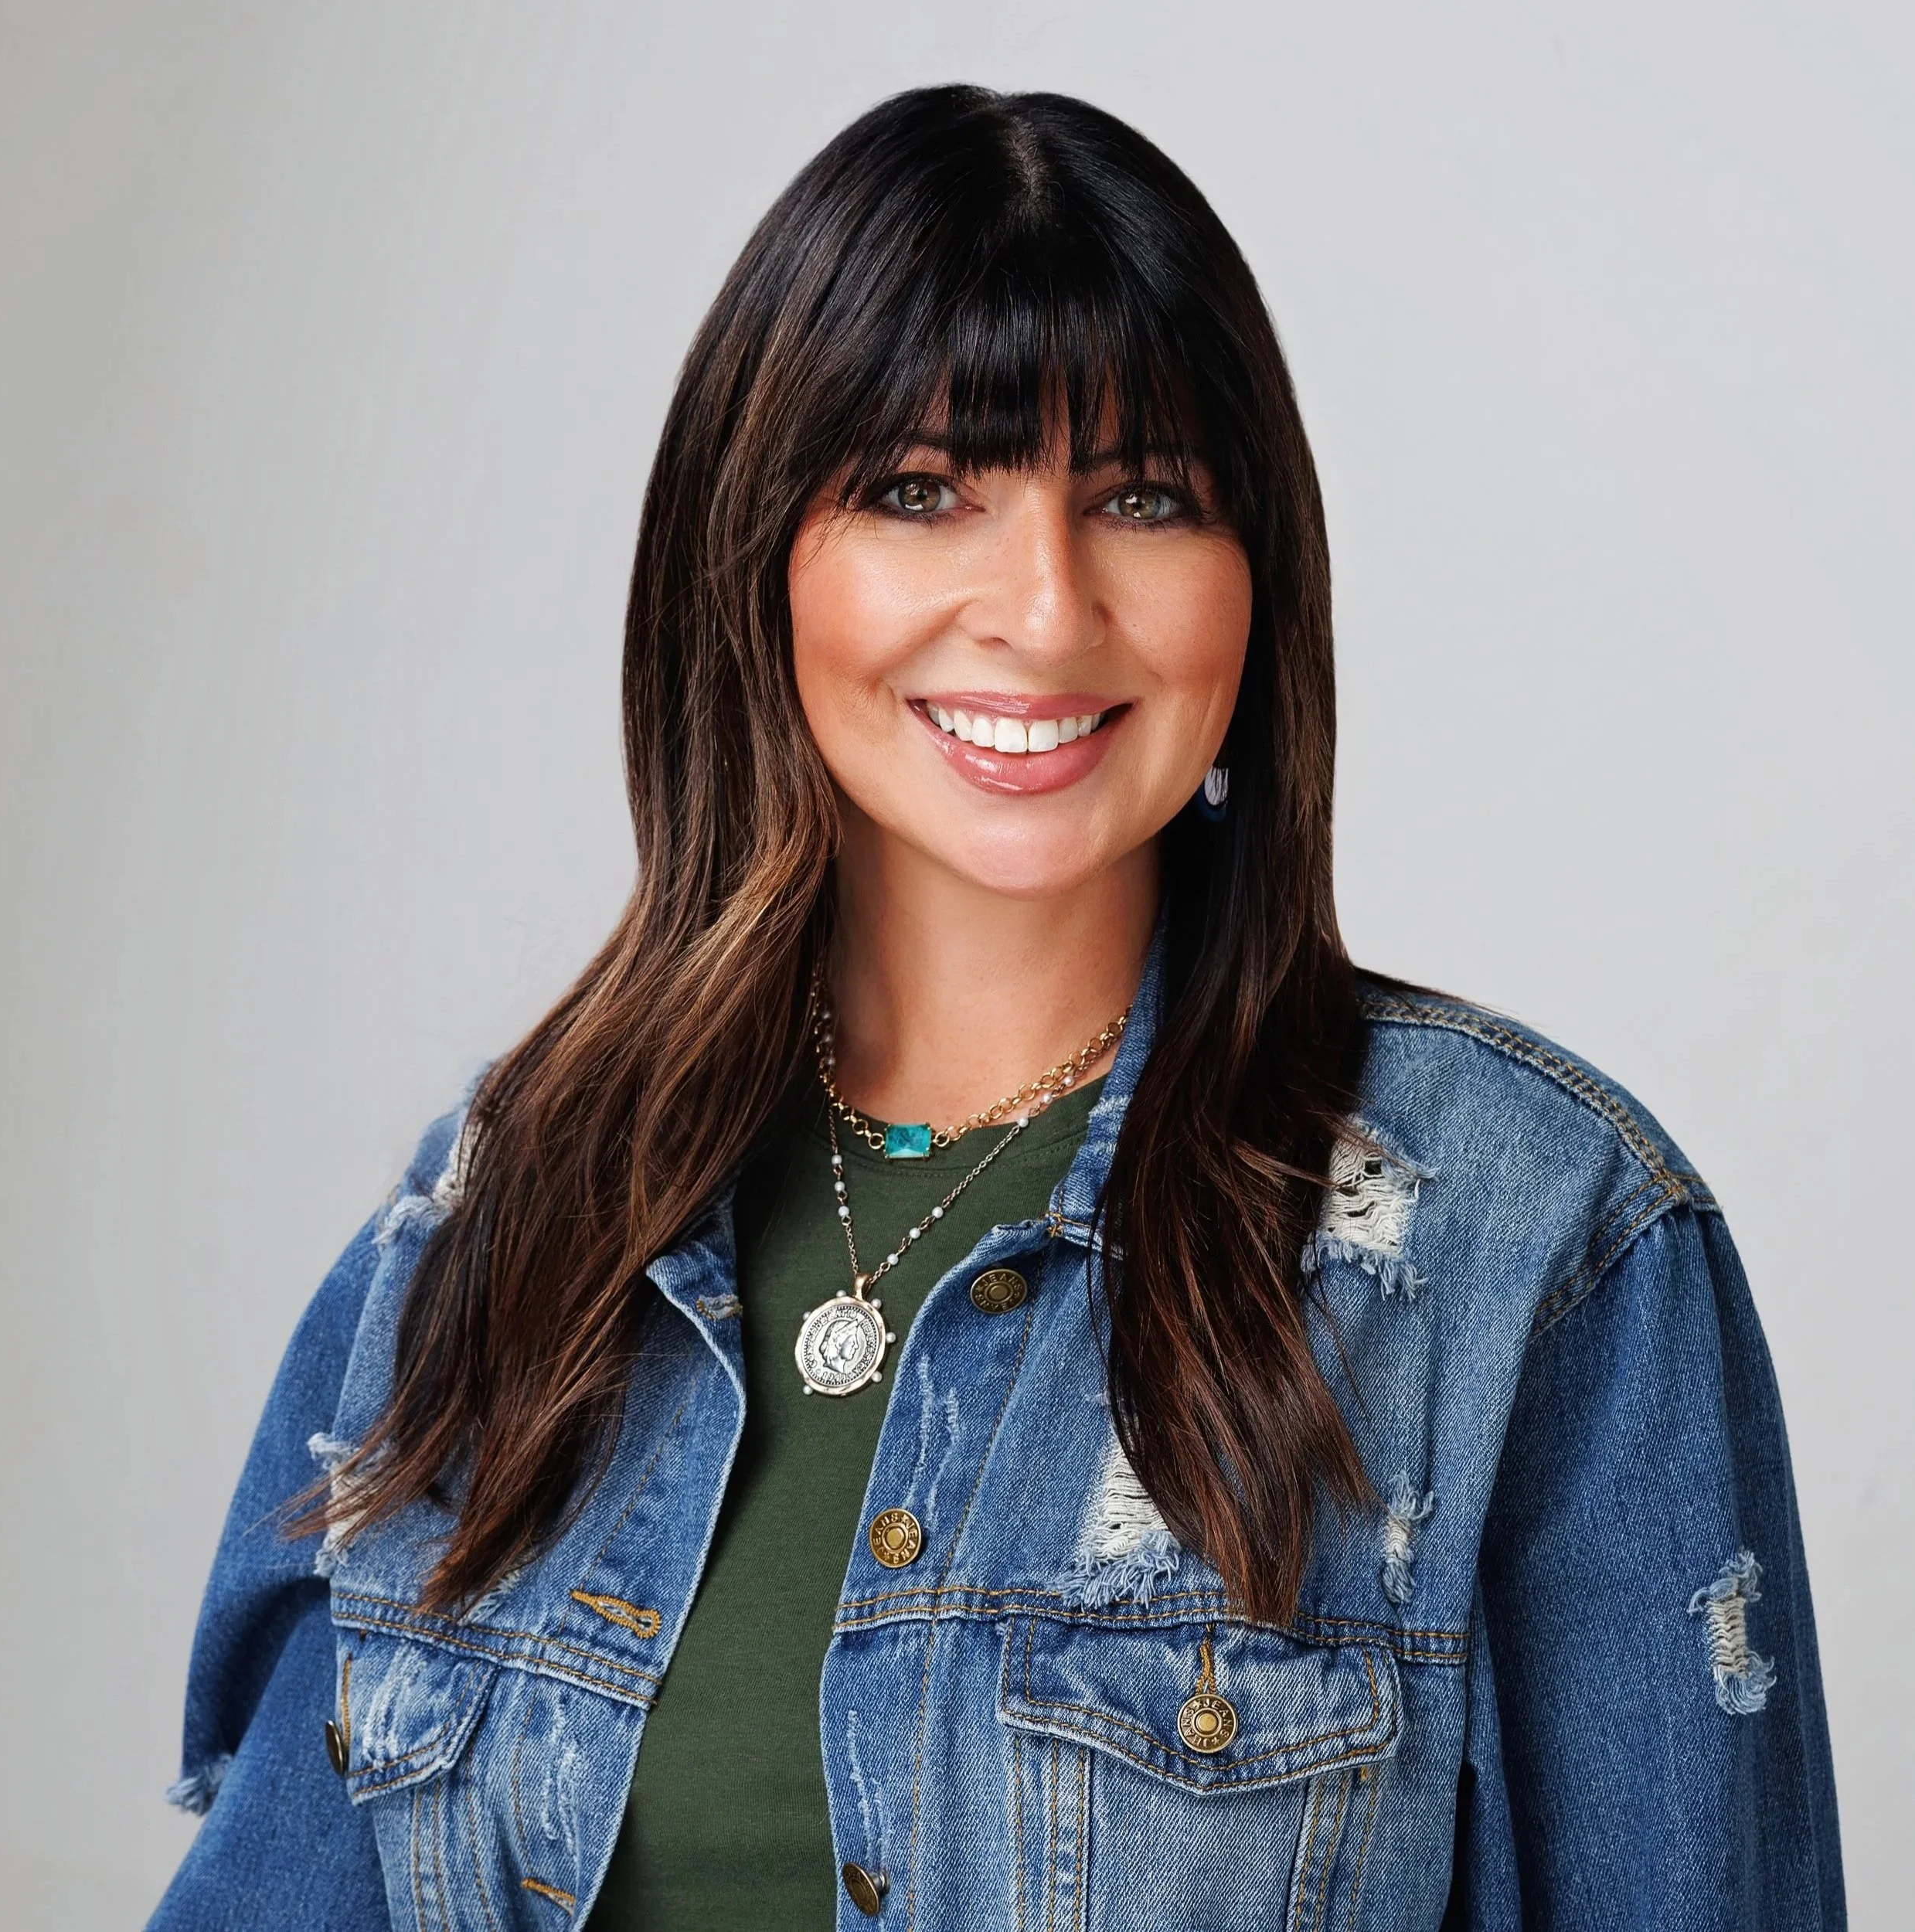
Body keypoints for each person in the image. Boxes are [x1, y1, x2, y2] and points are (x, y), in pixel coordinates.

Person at [148, 85, 1842, 1932]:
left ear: (1251, 584)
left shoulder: (1534, 1235)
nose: (1041, 609)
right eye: (916, 489)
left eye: (1140, 497)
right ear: (753, 561)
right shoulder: (507, 1213)